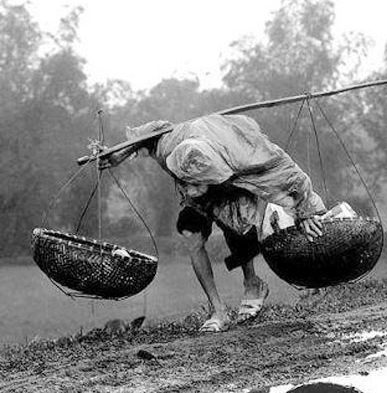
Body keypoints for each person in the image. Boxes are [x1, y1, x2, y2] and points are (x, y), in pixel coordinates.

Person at [100, 114, 326, 332]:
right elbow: (149, 132)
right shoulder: (169, 143)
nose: (189, 191)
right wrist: (119, 153)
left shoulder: (245, 156)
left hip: (229, 178)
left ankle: (252, 284)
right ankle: (218, 311)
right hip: (206, 177)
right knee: (192, 233)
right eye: (185, 183)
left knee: (238, 226)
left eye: (194, 184)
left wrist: (306, 210)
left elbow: (288, 173)